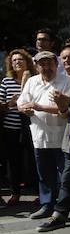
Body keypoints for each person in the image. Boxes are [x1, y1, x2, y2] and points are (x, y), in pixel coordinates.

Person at [17, 51, 70, 220]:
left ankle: (69, 206)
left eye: (49, 63)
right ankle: (47, 205)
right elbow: (21, 103)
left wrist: (39, 107)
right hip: (39, 135)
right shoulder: (32, 81)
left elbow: (68, 107)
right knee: (44, 175)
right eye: (42, 64)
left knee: (66, 176)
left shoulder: (67, 81)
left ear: (56, 64)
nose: (46, 67)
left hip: (62, 137)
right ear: (37, 66)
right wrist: (24, 109)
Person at [0, 49, 36, 208]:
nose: (17, 62)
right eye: (14, 60)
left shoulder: (35, 80)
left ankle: (40, 193)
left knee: (34, 160)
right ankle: (15, 193)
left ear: (27, 61)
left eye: (20, 59)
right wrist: (10, 104)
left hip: (31, 126)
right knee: (13, 161)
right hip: (11, 127)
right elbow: (1, 107)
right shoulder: (6, 82)